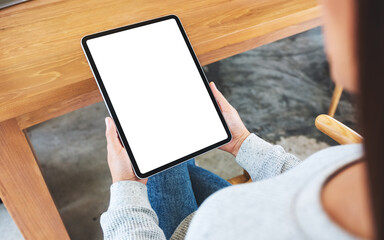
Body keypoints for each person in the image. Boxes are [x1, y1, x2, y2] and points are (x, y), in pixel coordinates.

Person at [100, 0, 383, 239]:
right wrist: (242, 142)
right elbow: (302, 180)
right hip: (244, 205)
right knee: (169, 147)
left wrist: (128, 187)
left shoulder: (222, 226)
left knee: (150, 126)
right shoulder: (364, 167)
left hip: (192, 228)